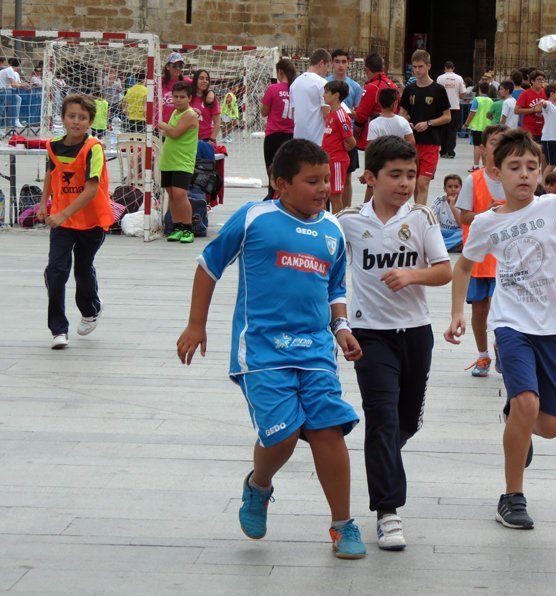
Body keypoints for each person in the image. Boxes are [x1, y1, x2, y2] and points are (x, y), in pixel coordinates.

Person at [176, 138, 367, 560]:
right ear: (280, 183)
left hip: (316, 351)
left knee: (327, 430)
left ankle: (342, 523)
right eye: (312, 181)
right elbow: (208, 266)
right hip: (262, 352)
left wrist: (341, 327)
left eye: (326, 180)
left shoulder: (332, 229)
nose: (323, 189)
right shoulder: (254, 218)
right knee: (282, 437)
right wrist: (196, 324)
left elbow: (335, 287)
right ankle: (259, 485)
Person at [445, 129, 556, 529]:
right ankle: (512, 496)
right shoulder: (485, 223)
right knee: (528, 404)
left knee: (549, 426)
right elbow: (464, 265)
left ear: (541, 172)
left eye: (531, 167)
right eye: (514, 167)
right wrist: (456, 314)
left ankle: (517, 418)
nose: (523, 174)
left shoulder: (554, 207)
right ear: (496, 172)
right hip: (511, 324)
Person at [337, 136, 451, 551]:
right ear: (370, 177)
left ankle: (386, 450)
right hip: (370, 336)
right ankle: (388, 512)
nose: (405, 183)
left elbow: (444, 271)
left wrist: (411, 275)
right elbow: (331, 278)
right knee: (381, 418)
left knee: (403, 423)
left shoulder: (421, 218)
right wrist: (340, 325)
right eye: (395, 175)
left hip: (416, 333)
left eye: (411, 175)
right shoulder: (347, 220)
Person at [36, 94, 114, 349]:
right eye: (72, 116)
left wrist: (62, 214)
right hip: (62, 221)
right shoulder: (53, 146)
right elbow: (51, 174)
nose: (76, 122)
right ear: (63, 118)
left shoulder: (94, 148)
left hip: (91, 221)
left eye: (82, 117)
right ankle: (58, 329)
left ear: (90, 121)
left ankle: (90, 308)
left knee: (82, 268)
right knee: (56, 271)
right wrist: (43, 204)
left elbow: (91, 189)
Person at [455, 124, 508, 377]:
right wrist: (488, 214)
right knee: (480, 308)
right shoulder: (473, 180)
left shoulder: (515, 178)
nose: (497, 147)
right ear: (484, 147)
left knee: (505, 309)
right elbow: (463, 217)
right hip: (478, 257)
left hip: (508, 258)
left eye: (503, 142)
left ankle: (504, 350)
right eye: (494, 141)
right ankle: (482, 354)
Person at [398, 50, 451, 205]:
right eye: (414, 67)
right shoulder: (409, 89)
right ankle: (416, 214)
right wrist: (406, 121)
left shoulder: (438, 90)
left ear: (428, 66)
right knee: (413, 183)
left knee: (423, 182)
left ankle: (419, 216)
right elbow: (402, 113)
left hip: (431, 142)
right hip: (412, 142)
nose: (417, 70)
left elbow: (447, 116)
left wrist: (428, 123)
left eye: (420, 66)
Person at [157, 81, 199, 244]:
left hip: (183, 160)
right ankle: (177, 227)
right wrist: (166, 129)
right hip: (169, 159)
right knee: (172, 195)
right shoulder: (175, 112)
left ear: (189, 98)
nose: (178, 100)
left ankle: (188, 228)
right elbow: (170, 134)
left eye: (182, 97)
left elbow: (174, 133)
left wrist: (163, 126)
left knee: (181, 194)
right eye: (175, 96)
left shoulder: (190, 114)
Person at [327, 49, 363, 208]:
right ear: (332, 64)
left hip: (346, 136)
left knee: (346, 177)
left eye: (343, 62)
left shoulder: (355, 86)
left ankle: (345, 210)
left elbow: (359, 113)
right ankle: (328, 211)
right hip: (330, 138)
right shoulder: (325, 83)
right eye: (337, 62)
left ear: (348, 64)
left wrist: (347, 113)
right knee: (327, 178)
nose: (340, 65)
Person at [262, 59, 296, 198]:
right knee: (288, 172)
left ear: (280, 72)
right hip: (291, 136)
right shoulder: (295, 89)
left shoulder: (273, 88)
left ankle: (272, 199)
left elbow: (263, 112)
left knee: (273, 173)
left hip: (274, 136)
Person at [322, 80, 356, 213]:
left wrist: (342, 148)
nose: (323, 95)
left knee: (335, 196)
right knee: (325, 194)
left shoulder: (341, 115)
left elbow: (351, 141)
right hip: (327, 159)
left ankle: (338, 224)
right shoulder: (331, 113)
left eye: (326, 92)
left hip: (337, 160)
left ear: (336, 95)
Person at [353, 53, 397, 152]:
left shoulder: (372, 87)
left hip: (372, 139)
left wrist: (355, 136)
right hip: (391, 137)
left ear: (366, 70)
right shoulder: (392, 85)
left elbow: (361, 116)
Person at [290, 48, 331, 146]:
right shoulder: (322, 83)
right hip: (317, 141)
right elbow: (327, 114)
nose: (328, 71)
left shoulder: (295, 84)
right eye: (328, 66)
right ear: (321, 63)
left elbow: (293, 113)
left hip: (298, 140)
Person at [437, 61, 467, 158]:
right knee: (452, 130)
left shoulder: (440, 78)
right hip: (455, 107)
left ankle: (442, 151)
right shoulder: (459, 78)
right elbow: (463, 93)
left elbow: (436, 92)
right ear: (453, 68)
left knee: (443, 130)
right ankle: (450, 152)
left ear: (444, 68)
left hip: (442, 108)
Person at [463, 82, 493, 172]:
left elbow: (472, 112)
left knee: (476, 146)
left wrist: (466, 124)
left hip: (477, 127)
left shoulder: (477, 99)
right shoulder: (491, 101)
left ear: (479, 89)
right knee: (484, 147)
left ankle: (476, 166)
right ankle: (484, 166)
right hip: (487, 127)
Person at [430, 174, 464, 251]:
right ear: (444, 189)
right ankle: (453, 247)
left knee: (467, 234)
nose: (453, 189)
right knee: (431, 234)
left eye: (456, 187)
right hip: (443, 233)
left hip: (458, 234)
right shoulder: (440, 200)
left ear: (461, 189)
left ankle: (441, 247)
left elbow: (462, 225)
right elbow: (429, 215)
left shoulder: (464, 203)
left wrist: (452, 206)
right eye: (450, 187)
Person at [515, 70, 546, 143]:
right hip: (529, 131)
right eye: (538, 79)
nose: (541, 82)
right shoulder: (525, 94)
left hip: (543, 130)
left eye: (542, 80)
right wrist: (533, 109)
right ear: (532, 81)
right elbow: (516, 110)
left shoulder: (546, 93)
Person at [190, 69, 221, 143]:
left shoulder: (211, 99)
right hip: (189, 139)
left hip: (206, 139)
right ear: (195, 80)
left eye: (207, 79)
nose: (204, 81)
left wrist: (212, 139)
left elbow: (217, 122)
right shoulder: (188, 97)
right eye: (201, 78)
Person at [161, 52, 191, 125]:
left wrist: (210, 93)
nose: (178, 68)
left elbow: (202, 87)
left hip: (180, 126)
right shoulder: (159, 82)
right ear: (167, 67)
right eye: (174, 66)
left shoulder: (187, 82)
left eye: (180, 66)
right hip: (160, 126)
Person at [0, 57, 29, 130]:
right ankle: (14, 120)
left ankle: (11, 122)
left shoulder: (10, 71)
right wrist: (23, 85)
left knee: (16, 99)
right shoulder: (10, 70)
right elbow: (13, 84)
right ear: (19, 65)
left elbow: (16, 83)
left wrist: (23, 85)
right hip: (3, 91)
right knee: (2, 111)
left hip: (5, 91)